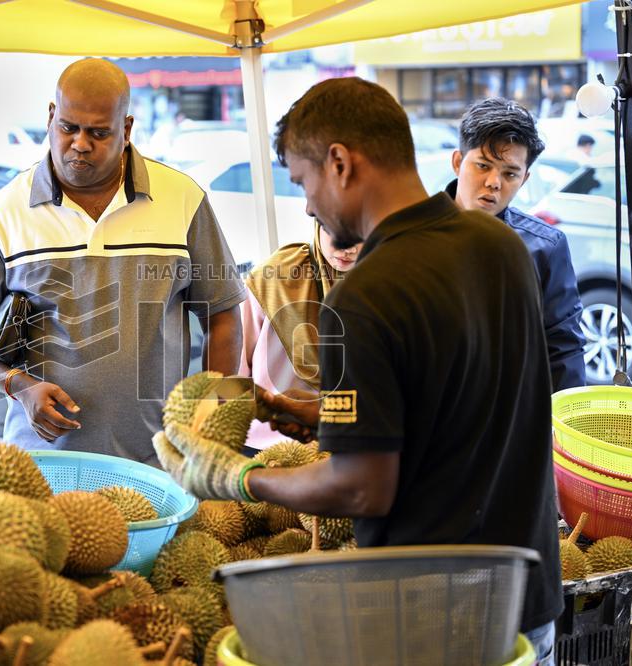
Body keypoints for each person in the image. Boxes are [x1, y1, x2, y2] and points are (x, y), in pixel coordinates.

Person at [153, 77, 562, 664]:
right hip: (524, 603)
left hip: (430, 620)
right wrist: (324, 416)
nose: (308, 203)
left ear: (340, 163)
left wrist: (236, 479)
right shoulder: (498, 248)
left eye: (303, 179)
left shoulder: (366, 293)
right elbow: (453, 404)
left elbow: (362, 487)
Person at [0, 58, 245, 465]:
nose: (80, 143)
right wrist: (18, 385)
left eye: (98, 132)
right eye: (69, 127)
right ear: (51, 116)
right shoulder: (3, 213)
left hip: (159, 463)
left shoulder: (183, 200)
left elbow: (223, 317)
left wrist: (211, 415)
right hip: (41, 466)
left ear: (126, 130)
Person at [447, 98, 586, 392]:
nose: (494, 182)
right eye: (482, 166)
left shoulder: (545, 247)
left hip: (510, 421)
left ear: (524, 179)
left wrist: (559, 427)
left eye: (510, 173)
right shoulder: (411, 233)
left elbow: (563, 347)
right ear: (458, 162)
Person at [238, 222, 362, 451]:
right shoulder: (272, 279)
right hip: (263, 444)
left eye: (361, 235)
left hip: (343, 446)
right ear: (318, 220)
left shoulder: (381, 288)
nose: (349, 249)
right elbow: (236, 369)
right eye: (338, 232)